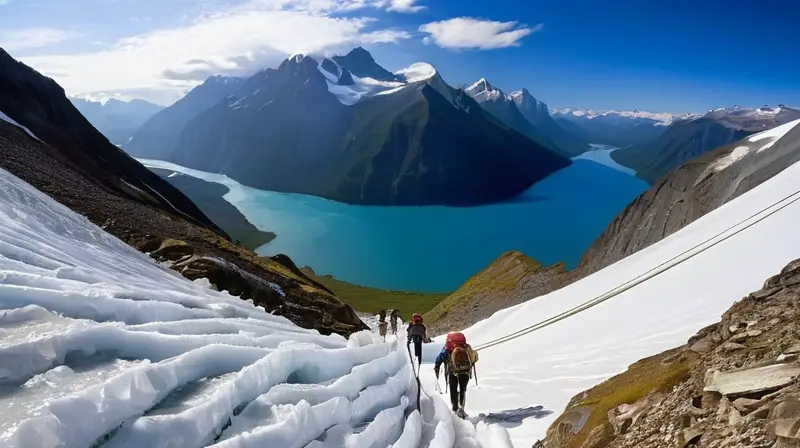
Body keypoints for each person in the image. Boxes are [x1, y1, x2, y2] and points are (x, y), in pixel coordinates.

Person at [434, 331, 478, 417]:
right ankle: (461, 408)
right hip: (465, 370)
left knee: (453, 388)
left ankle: (455, 409)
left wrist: (437, 368)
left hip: (453, 370)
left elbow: (440, 358)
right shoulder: (466, 347)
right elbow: (474, 357)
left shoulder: (447, 348)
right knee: (463, 389)